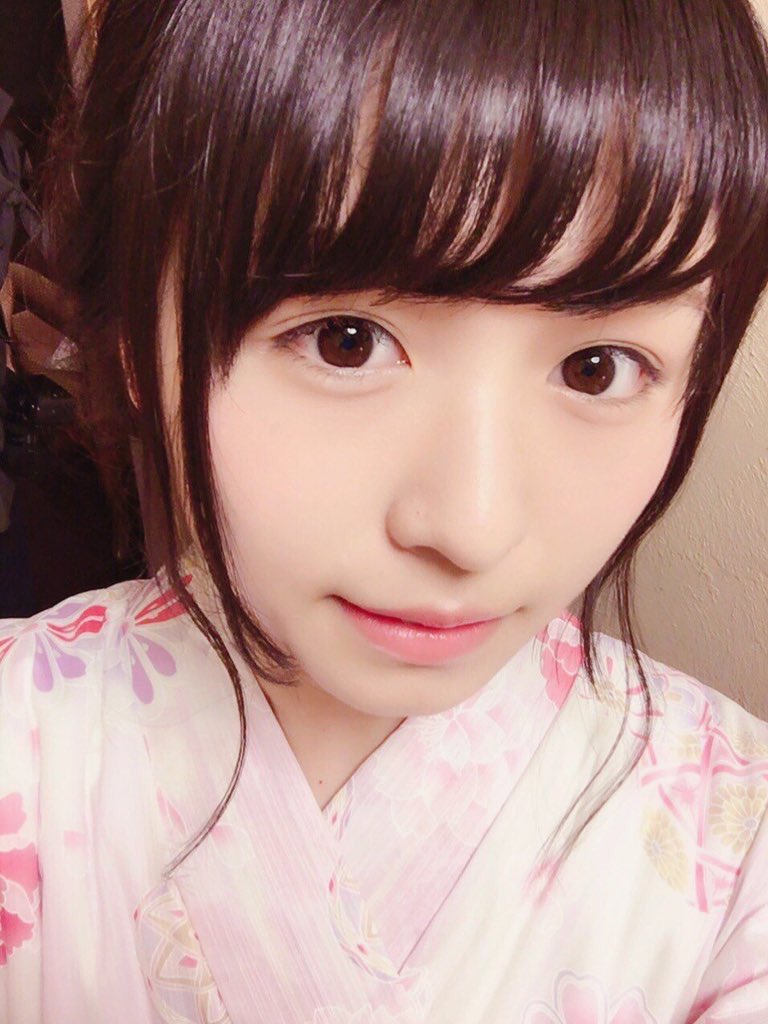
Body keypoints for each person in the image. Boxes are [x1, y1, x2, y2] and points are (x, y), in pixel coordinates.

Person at [2, 0, 768, 1020]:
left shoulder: (740, 846)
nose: (470, 527)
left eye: (598, 366)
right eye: (346, 341)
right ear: (136, 338)